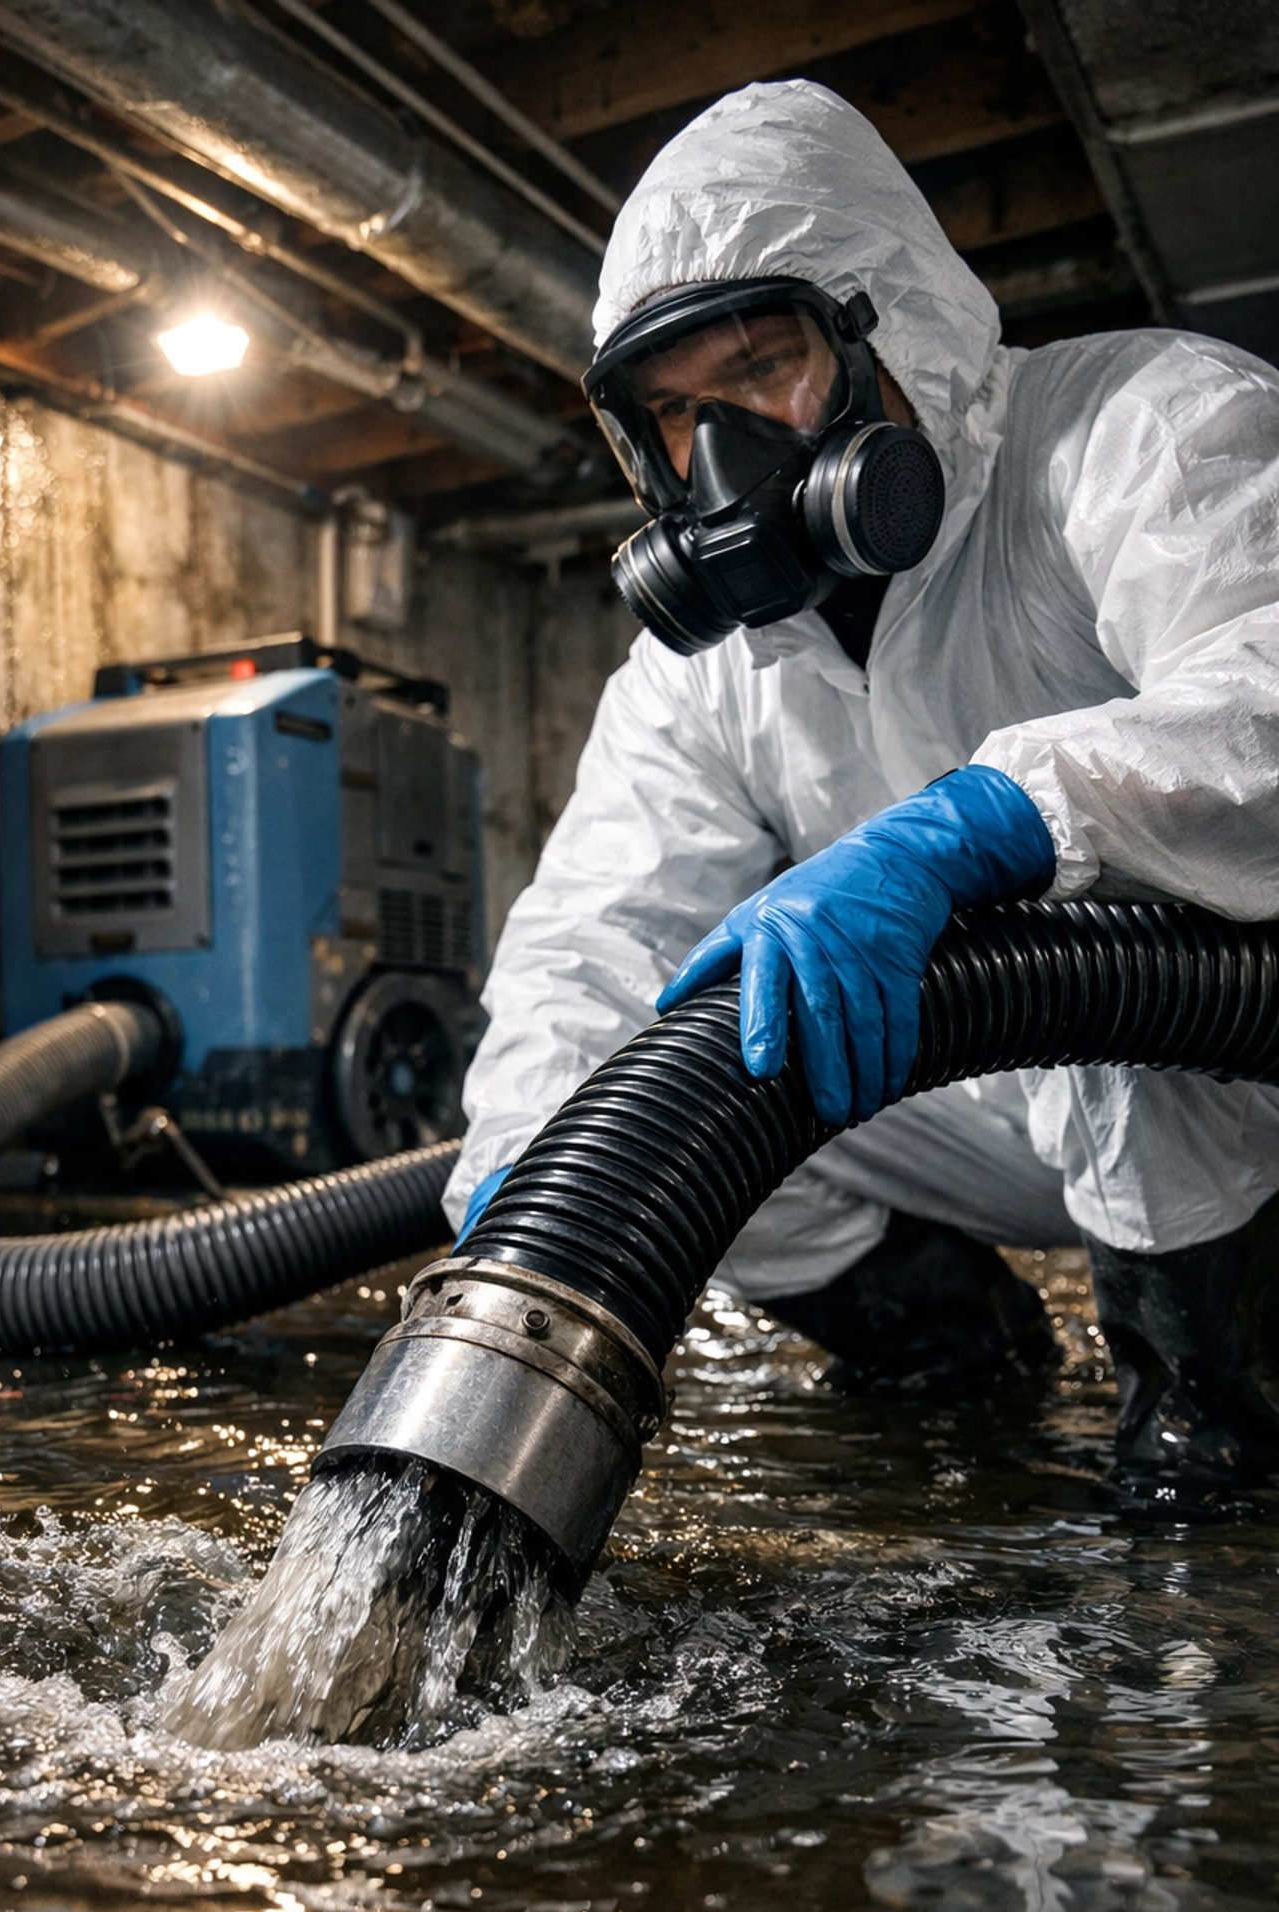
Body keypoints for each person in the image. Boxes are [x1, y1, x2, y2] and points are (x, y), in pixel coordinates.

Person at [443, 79, 1279, 1513]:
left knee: (1100, 960)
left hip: (1226, 1066)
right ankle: (960, 1377)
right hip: (1011, 1112)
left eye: (763, 371)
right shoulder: (707, 672)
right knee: (644, 1093)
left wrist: (990, 823)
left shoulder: (1151, 426)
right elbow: (592, 931)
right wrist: (530, 1191)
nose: (725, 463)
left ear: (883, 319)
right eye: (678, 418)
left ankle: (1217, 1454)